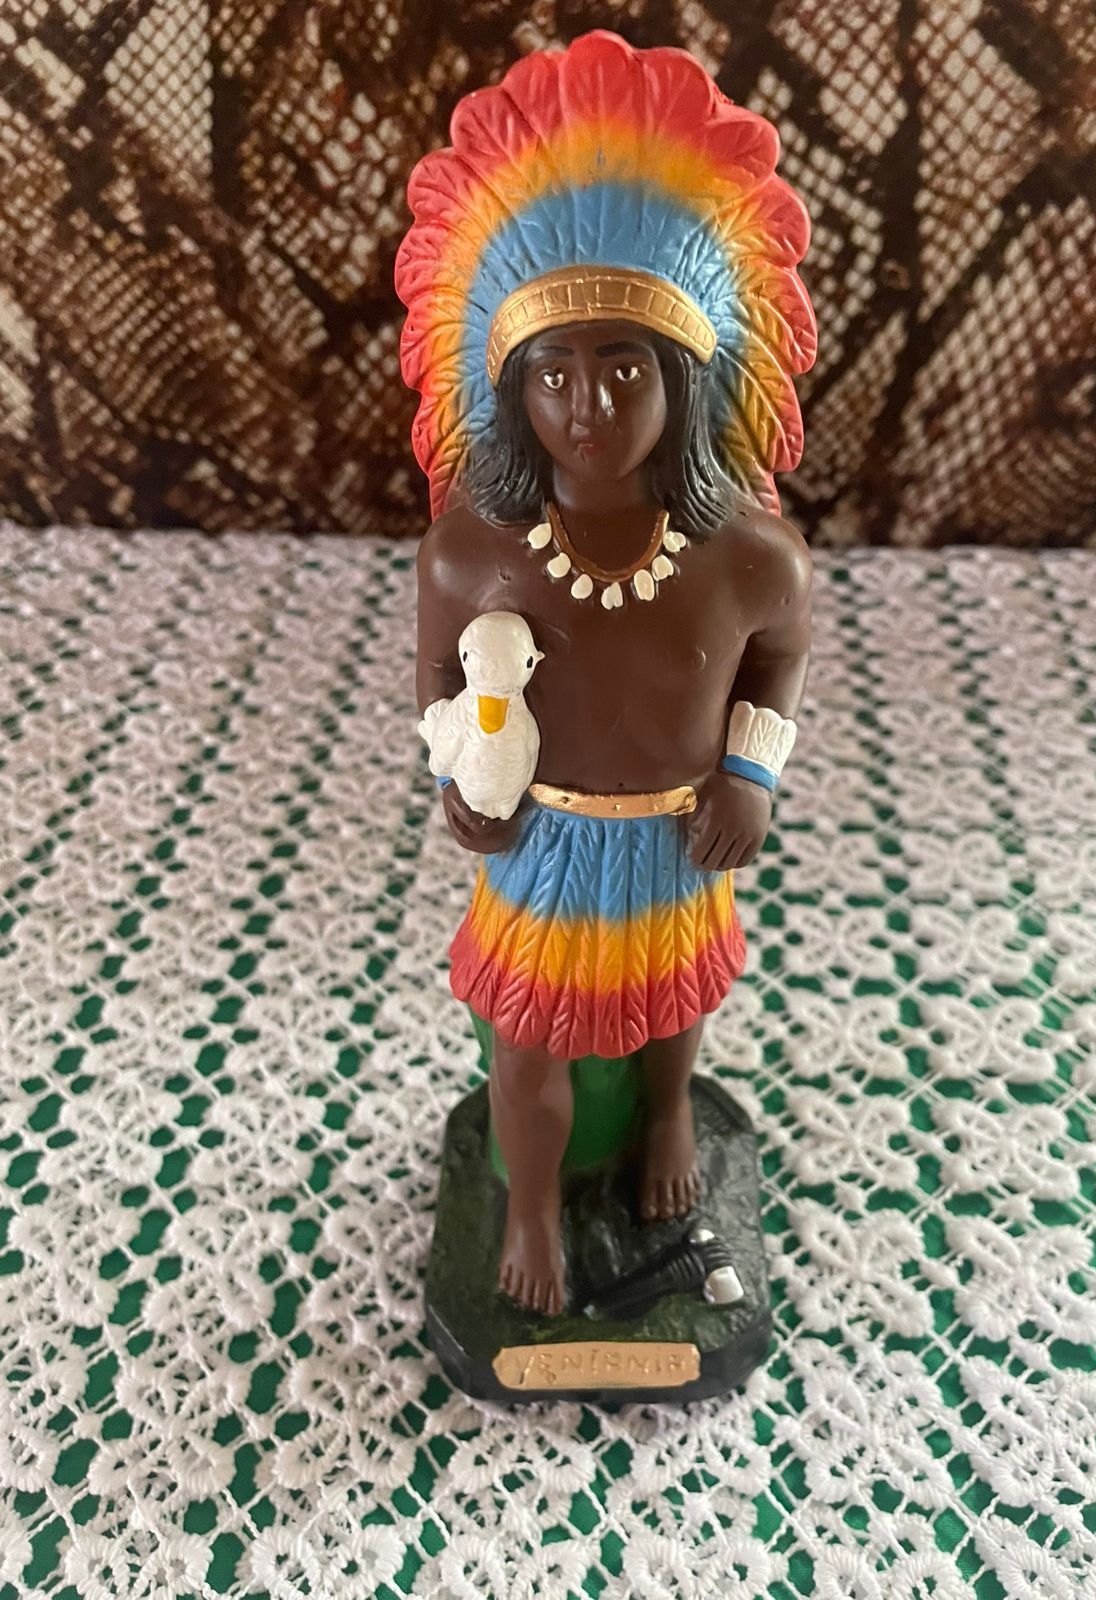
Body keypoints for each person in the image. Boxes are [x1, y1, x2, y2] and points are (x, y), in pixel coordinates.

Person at [397, 32, 816, 1316]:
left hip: (679, 838)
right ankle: (529, 1204)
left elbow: (780, 652)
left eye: (624, 367)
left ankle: (671, 1114)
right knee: (528, 1042)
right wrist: (459, 777)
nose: (587, 406)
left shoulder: (747, 555)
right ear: (512, 388)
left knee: (670, 1007)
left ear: (684, 383)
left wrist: (749, 771)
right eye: (554, 371)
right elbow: (436, 686)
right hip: (541, 844)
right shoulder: (470, 552)